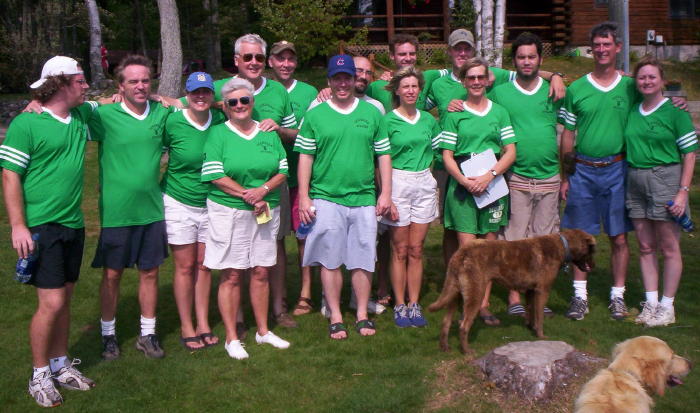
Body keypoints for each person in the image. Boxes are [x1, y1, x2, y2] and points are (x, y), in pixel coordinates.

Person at [1, 56, 96, 407]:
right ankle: (39, 373)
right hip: (42, 226)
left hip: (73, 223)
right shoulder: (26, 124)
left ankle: (60, 364)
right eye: (80, 79)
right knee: (51, 302)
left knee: (66, 299)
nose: (85, 85)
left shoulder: (80, 115)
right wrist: (18, 225)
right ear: (60, 83)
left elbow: (111, 102)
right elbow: (10, 175)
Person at [295, 55, 393, 340]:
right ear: (329, 81)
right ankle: (336, 316)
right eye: (336, 78)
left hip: (363, 197)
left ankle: (362, 313)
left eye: (347, 77)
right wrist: (304, 196)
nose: (342, 83)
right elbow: (305, 157)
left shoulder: (372, 113)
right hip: (326, 197)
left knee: (363, 258)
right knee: (330, 258)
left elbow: (383, 155)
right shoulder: (315, 115)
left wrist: (385, 192)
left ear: (355, 80)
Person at [201, 77, 291, 359]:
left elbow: (283, 169)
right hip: (229, 210)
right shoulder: (218, 134)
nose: (239, 106)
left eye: (245, 100)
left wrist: (263, 190)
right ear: (225, 106)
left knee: (262, 270)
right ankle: (231, 337)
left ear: (253, 103)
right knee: (231, 273)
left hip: (266, 208)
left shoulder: (267, 132)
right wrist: (247, 195)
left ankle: (263, 331)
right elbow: (215, 174)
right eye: (233, 102)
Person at [89, 55, 172, 360]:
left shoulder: (161, 114)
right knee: (112, 275)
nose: (140, 86)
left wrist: (168, 99)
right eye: (133, 81)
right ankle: (108, 335)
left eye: (145, 80)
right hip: (116, 212)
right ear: (120, 86)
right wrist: (34, 103)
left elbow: (197, 107)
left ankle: (147, 334)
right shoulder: (104, 116)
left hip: (151, 210)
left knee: (149, 272)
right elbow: (69, 111)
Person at [558, 22, 636, 321]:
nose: (602, 50)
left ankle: (618, 296)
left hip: (617, 169)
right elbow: (567, 134)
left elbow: (653, 103)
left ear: (617, 47)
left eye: (608, 44)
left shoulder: (629, 87)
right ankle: (580, 297)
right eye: (597, 45)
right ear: (592, 49)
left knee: (618, 237)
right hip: (584, 171)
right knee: (581, 238)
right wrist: (566, 176)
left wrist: (676, 102)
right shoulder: (577, 89)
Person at [439, 57, 517, 326]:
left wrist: (490, 175)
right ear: (463, 81)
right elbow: (447, 155)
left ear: (487, 80)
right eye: (470, 78)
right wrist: (463, 180)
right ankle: (467, 303)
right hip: (463, 186)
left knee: (488, 248)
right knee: (469, 251)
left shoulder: (500, 112)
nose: (475, 82)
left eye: (479, 77)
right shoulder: (454, 113)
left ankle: (483, 305)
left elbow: (510, 151)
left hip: (492, 185)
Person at [489, 32, 560, 317]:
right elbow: (477, 99)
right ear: (514, 61)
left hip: (550, 177)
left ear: (540, 59)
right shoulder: (501, 93)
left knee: (544, 241)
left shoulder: (554, 90)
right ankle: (515, 298)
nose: (527, 62)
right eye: (521, 57)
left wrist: (555, 75)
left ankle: (537, 299)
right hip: (517, 177)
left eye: (532, 57)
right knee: (516, 240)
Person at [624, 56, 697, 327]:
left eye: (652, 77)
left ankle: (667, 306)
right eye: (641, 77)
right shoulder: (633, 109)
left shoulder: (675, 112)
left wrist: (682, 192)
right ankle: (651, 303)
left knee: (668, 246)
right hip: (635, 178)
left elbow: (689, 153)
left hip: (665, 178)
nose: (646, 81)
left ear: (662, 81)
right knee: (644, 246)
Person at [161, 72, 225, 350]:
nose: (200, 97)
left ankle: (203, 322)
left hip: (211, 202)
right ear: (186, 95)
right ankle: (187, 325)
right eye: (195, 92)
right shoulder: (172, 121)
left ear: (212, 95)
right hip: (178, 201)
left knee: (205, 265)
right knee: (185, 266)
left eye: (206, 92)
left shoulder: (221, 121)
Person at [380, 66, 441, 327]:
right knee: (399, 249)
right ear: (397, 90)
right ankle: (400, 304)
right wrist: (386, 194)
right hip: (397, 182)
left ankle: (414, 304)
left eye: (415, 86)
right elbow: (380, 160)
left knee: (417, 249)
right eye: (405, 86)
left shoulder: (429, 120)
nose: (411, 90)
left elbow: (439, 152)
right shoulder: (387, 120)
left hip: (423, 183)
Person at [268, 40, 320, 317]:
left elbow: (312, 132)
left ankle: (306, 293)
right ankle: (279, 297)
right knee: (275, 238)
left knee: (304, 236)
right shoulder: (261, 91)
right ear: (271, 62)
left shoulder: (309, 92)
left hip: (302, 175)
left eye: (290, 59)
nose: (286, 64)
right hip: (271, 179)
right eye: (280, 59)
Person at [365, 33, 449, 112]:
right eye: (402, 54)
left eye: (412, 54)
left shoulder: (427, 77)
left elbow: (456, 73)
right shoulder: (377, 87)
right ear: (392, 55)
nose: (408, 58)